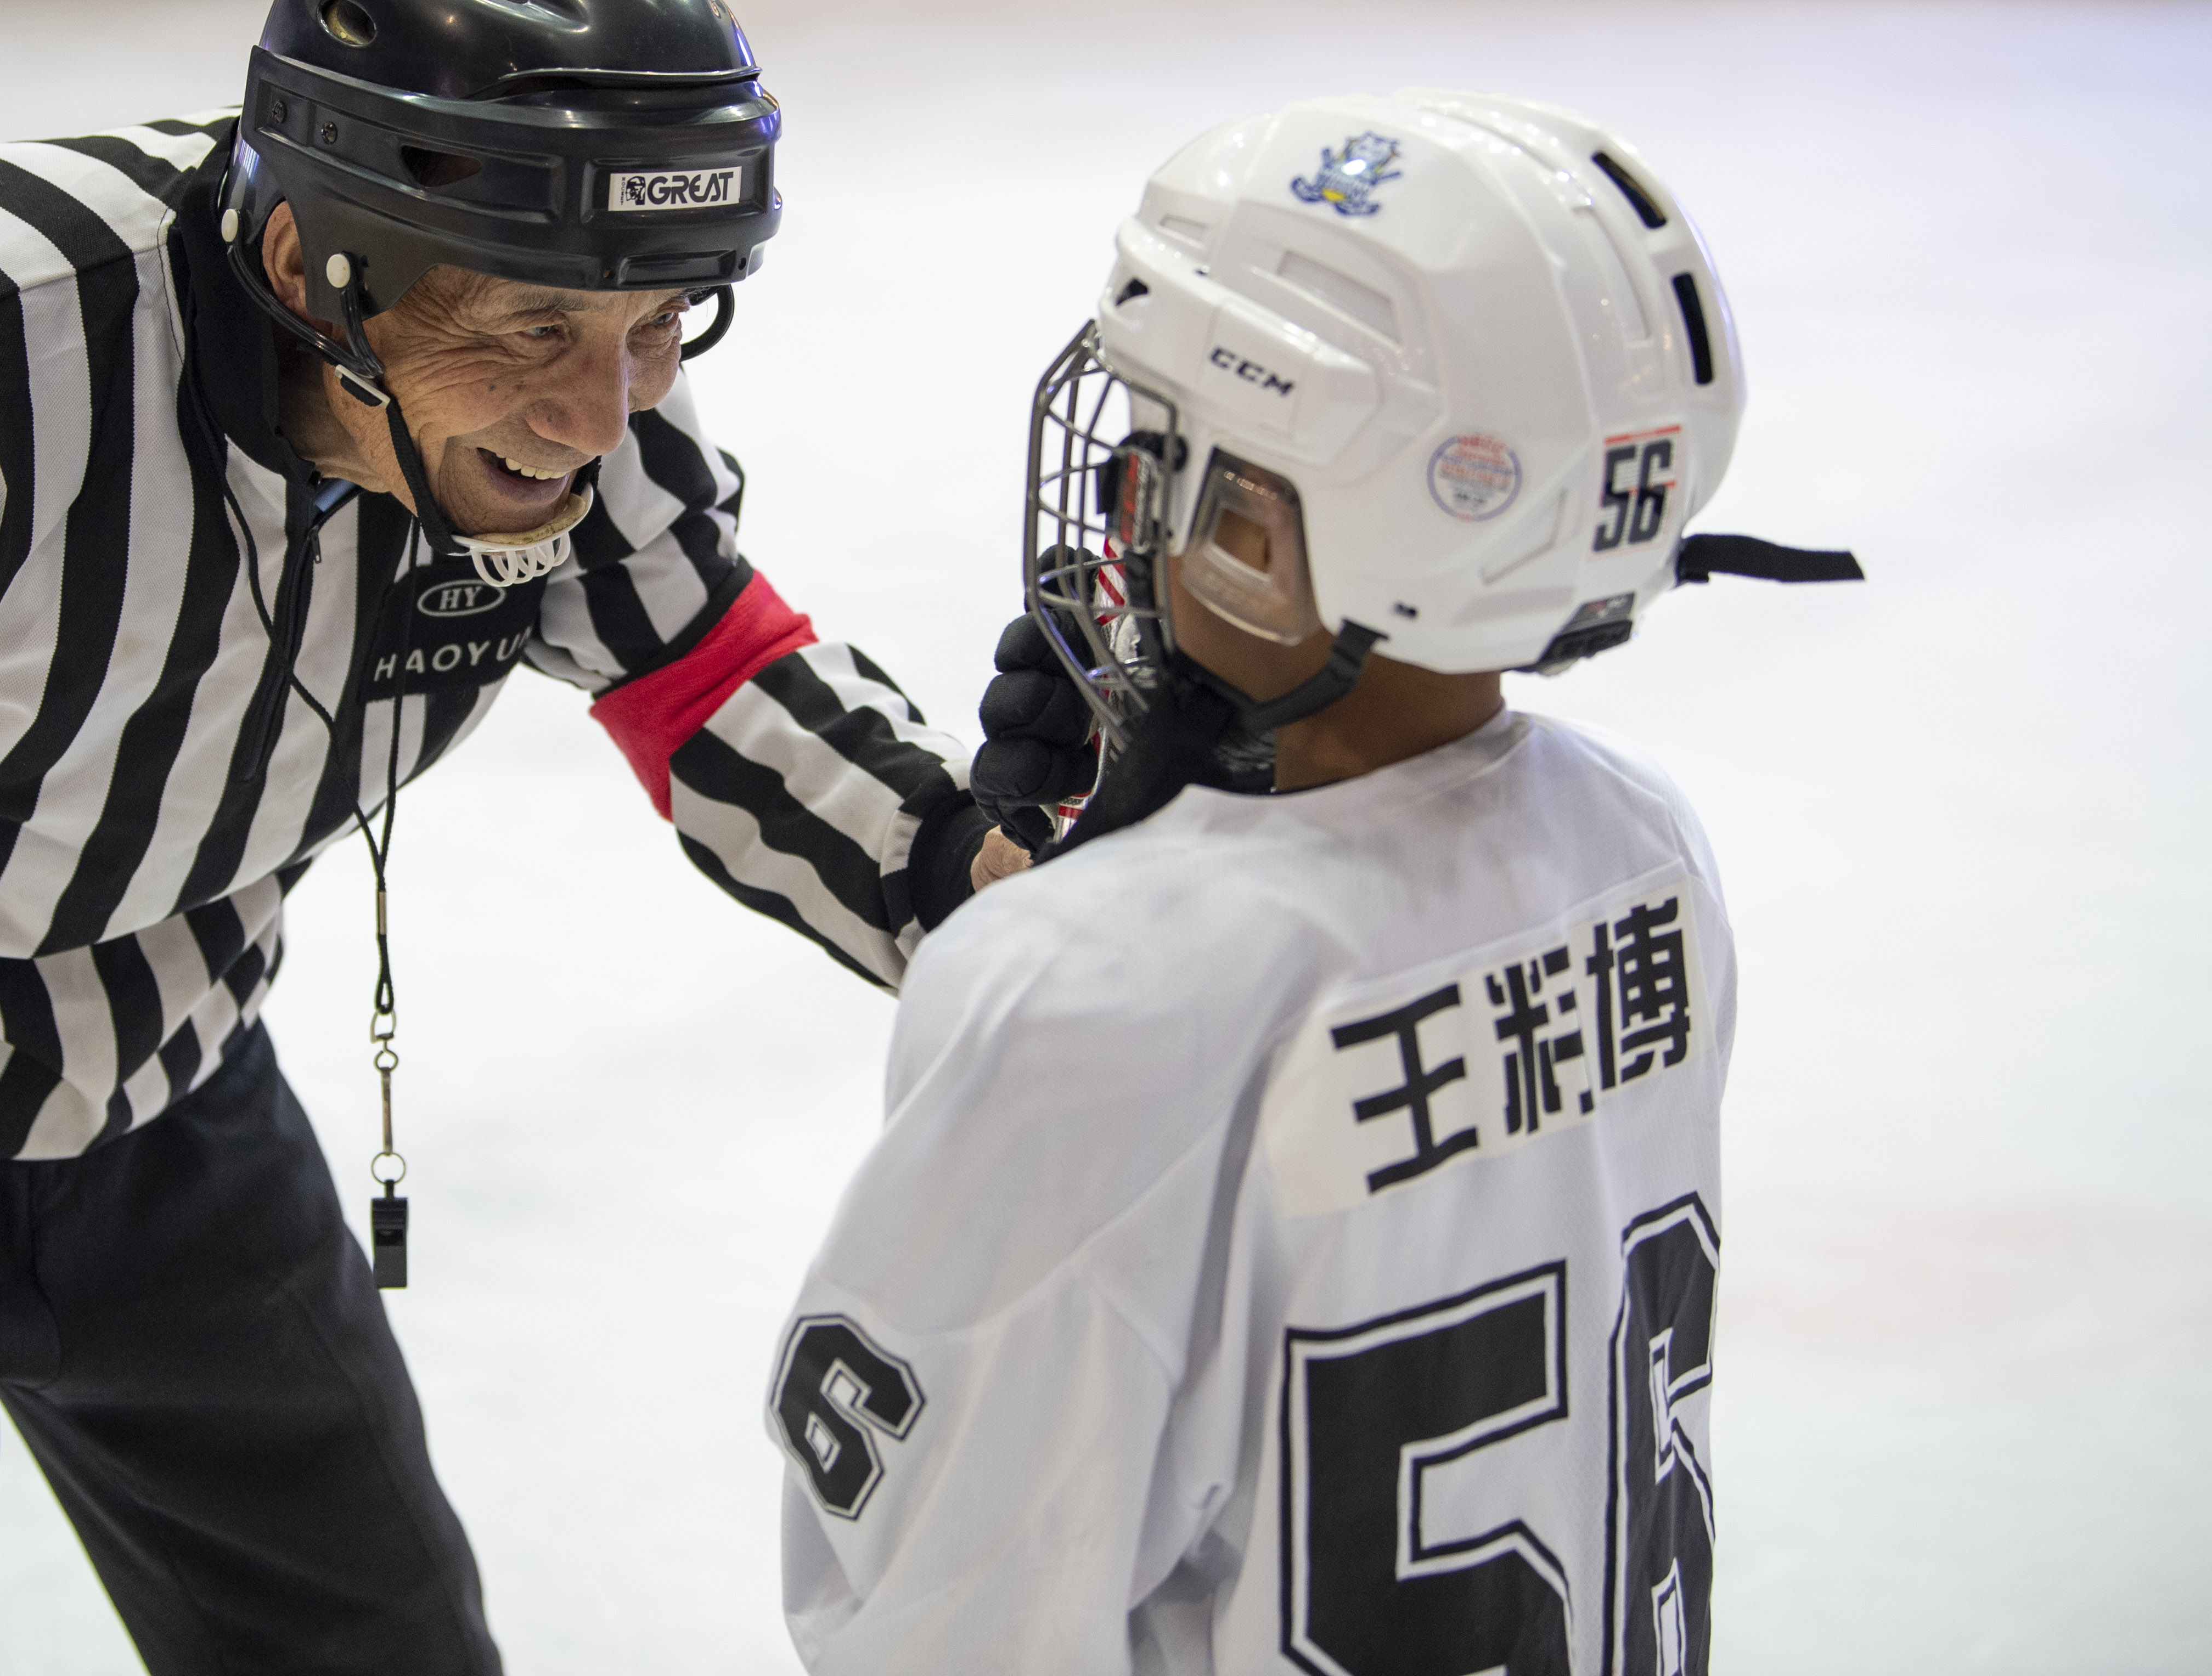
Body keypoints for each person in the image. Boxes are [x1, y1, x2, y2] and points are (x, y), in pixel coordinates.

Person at [0, 0, 1010, 1675]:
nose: (604, 421)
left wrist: (987, 891)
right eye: (530, 334)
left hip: (176, 1113)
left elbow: (710, 678)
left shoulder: (574, 385)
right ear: (305, 264)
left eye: (660, 325)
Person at [770, 91, 1860, 1674]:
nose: (1123, 514)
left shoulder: (1091, 996)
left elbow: (939, 1619)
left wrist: (1057, 940)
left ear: (1281, 548)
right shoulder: (1643, 849)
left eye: (1164, 459)